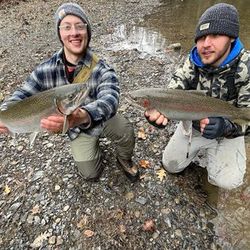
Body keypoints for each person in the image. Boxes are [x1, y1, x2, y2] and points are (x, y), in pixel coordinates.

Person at [0, 3, 139, 182]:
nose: (74, 32)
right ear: (60, 34)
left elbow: (111, 99)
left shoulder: (103, 68)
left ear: (87, 32)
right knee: (90, 174)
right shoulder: (45, 70)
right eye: (67, 27)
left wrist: (83, 115)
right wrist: (4, 113)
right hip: (77, 131)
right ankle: (93, 149)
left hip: (102, 119)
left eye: (80, 26)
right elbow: (22, 94)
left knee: (125, 130)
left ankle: (123, 158)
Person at [145, 3, 250, 193]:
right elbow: (172, 92)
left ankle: (217, 152)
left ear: (232, 37)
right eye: (201, 38)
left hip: (229, 130)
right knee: (170, 165)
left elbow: (247, 117)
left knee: (228, 181)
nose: (206, 44)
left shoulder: (246, 67)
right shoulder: (192, 61)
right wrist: (162, 115)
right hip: (194, 125)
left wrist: (227, 127)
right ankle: (200, 151)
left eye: (215, 35)